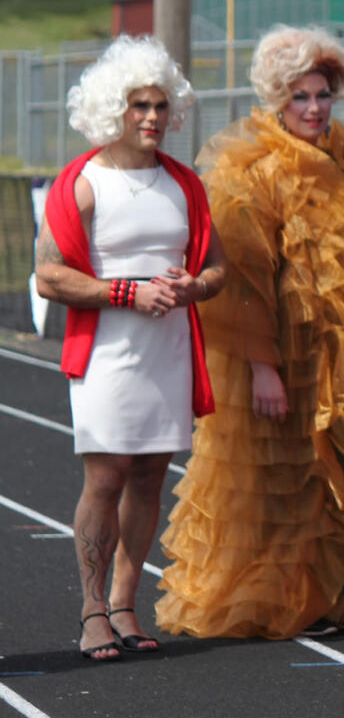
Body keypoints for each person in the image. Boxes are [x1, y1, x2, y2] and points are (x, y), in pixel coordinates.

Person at [155, 26, 344, 640]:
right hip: (289, 351)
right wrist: (261, 366)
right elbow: (245, 282)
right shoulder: (248, 170)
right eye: (300, 97)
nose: (314, 109)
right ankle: (304, 599)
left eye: (323, 95)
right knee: (297, 474)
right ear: (276, 99)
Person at [35, 35, 227, 661]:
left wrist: (192, 284)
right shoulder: (82, 184)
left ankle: (124, 603)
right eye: (138, 105)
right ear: (110, 109)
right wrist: (127, 292)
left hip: (168, 348)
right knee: (106, 475)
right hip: (105, 352)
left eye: (161, 105)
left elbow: (218, 268)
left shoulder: (185, 184)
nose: (151, 117)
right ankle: (92, 610)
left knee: (149, 473)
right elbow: (48, 276)